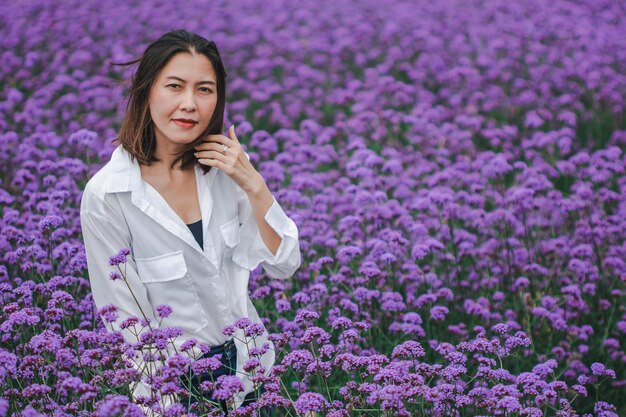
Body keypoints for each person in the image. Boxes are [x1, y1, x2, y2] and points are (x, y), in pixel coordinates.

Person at [80, 29, 301, 416]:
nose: (189, 104)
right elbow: (126, 323)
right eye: (175, 86)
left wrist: (253, 183)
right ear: (147, 90)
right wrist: (164, 407)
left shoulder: (224, 170)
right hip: (180, 391)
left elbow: (284, 264)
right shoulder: (107, 195)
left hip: (254, 374)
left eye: (204, 89)